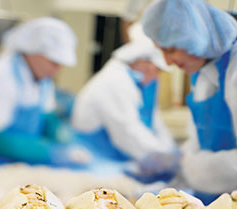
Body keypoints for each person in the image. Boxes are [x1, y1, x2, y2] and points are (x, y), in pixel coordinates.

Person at [142, 0, 237, 203]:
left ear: (196, 36)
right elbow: (198, 144)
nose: (168, 62)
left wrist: (183, 165)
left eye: (170, 49)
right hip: (222, 201)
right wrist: (174, 170)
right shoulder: (201, 69)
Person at [0, 18, 91, 170]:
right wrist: (48, 151)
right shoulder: (0, 75)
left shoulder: (43, 80)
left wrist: (61, 137)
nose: (57, 69)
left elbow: (47, 116)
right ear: (33, 51)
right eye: (53, 62)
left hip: (14, 168)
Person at [71, 38, 179, 180]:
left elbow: (155, 124)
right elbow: (128, 133)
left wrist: (170, 152)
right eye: (157, 70)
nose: (156, 76)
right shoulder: (115, 81)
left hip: (114, 160)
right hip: (95, 163)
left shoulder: (134, 84)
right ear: (142, 62)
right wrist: (165, 160)